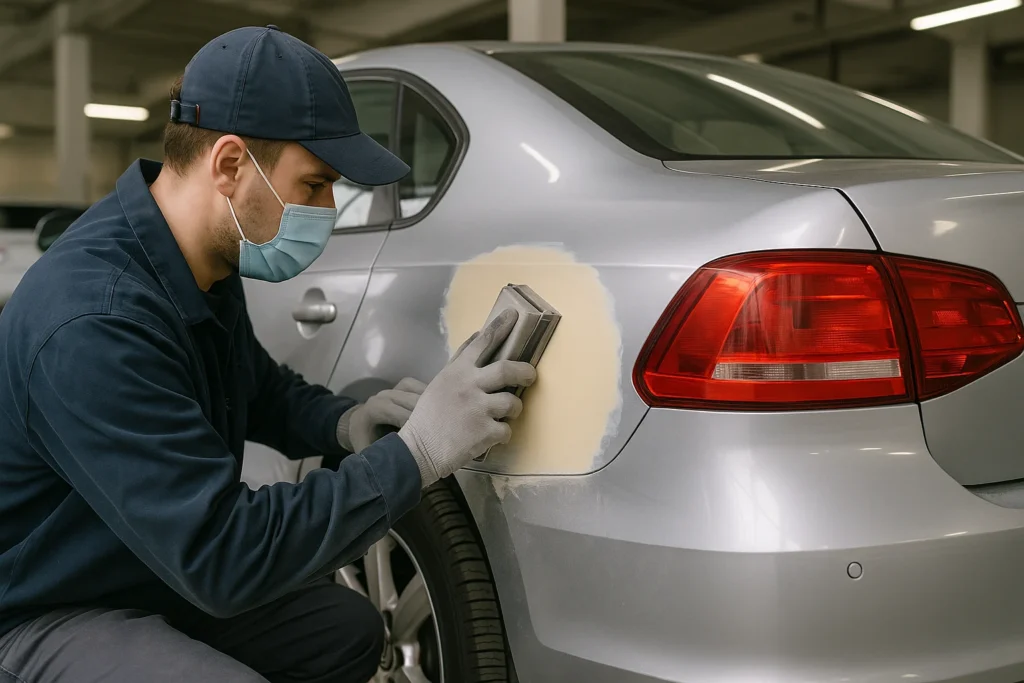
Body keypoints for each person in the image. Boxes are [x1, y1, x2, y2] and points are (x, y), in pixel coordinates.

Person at [0, 25, 536, 683]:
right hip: (43, 608)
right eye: (313, 185)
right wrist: (415, 454)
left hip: (140, 564)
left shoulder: (196, 263)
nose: (328, 209)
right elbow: (224, 555)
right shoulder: (93, 320)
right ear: (229, 165)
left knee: (346, 630)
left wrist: (344, 420)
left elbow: (253, 386)